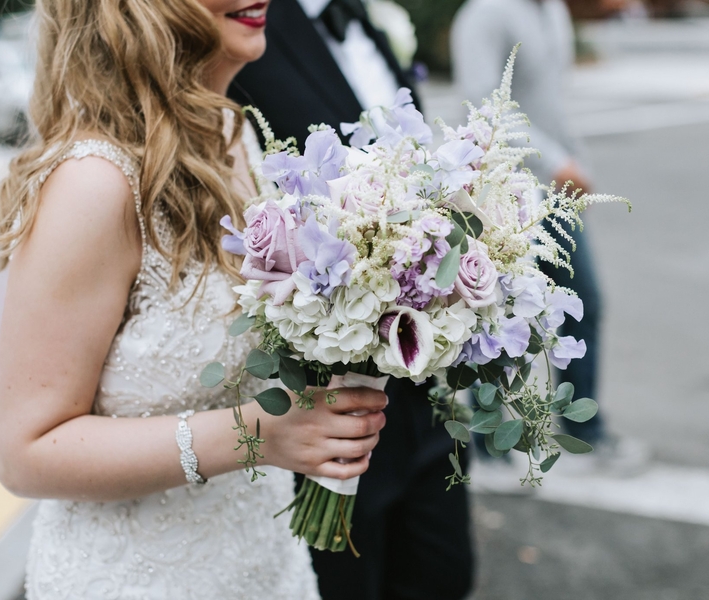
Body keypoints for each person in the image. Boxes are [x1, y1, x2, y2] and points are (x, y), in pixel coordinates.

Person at [0, 1, 390, 598]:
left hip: (265, 564)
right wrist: (259, 435)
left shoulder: (235, 133)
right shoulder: (94, 183)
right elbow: (24, 453)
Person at [231, 1, 475, 599]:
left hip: (424, 393)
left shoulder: (368, 21)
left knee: (445, 575)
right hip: (324, 399)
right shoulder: (244, 24)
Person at [452, 0, 649, 481]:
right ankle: (488, 446)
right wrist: (557, 161)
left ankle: (584, 431)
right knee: (496, 320)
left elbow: (551, 103)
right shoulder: (485, 14)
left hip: (554, 192)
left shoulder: (552, 10)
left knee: (582, 306)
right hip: (504, 191)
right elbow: (484, 107)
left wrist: (574, 160)